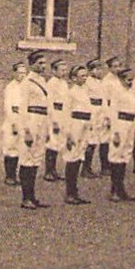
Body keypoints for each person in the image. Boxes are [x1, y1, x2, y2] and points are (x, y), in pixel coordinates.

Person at [18, 53, 52, 209]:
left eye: (44, 63)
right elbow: (22, 108)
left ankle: (32, 196)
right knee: (27, 158)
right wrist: (26, 131)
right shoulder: (27, 82)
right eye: (40, 63)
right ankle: (26, 198)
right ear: (31, 64)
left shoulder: (42, 81)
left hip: (42, 120)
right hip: (31, 121)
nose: (43, 66)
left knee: (36, 158)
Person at [105, 66, 135, 203]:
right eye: (128, 80)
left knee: (125, 156)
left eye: (132, 80)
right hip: (120, 125)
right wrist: (116, 132)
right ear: (121, 79)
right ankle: (114, 190)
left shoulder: (130, 92)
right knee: (116, 156)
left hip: (130, 124)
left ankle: (121, 189)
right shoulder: (117, 92)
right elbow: (113, 112)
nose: (131, 82)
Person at [61, 66, 91, 205]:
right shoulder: (70, 92)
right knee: (72, 157)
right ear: (73, 78)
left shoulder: (84, 91)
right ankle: (70, 192)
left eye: (86, 75)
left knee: (79, 156)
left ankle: (75, 191)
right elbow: (66, 113)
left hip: (85, 124)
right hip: (74, 125)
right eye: (82, 76)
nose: (85, 78)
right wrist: (68, 134)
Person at [0, 61, 27, 187]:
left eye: (24, 73)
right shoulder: (10, 87)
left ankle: (17, 175)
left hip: (23, 117)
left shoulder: (26, 87)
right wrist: (13, 123)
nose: (22, 75)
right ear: (14, 73)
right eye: (20, 72)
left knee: (20, 147)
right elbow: (8, 107)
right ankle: (9, 176)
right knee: (11, 146)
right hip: (13, 118)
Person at [43, 59, 68, 182]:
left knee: (58, 142)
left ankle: (53, 170)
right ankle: (48, 171)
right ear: (54, 71)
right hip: (55, 114)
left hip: (62, 113)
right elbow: (49, 102)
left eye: (65, 70)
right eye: (61, 70)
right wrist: (53, 120)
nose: (64, 72)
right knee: (52, 142)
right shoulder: (51, 83)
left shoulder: (64, 83)